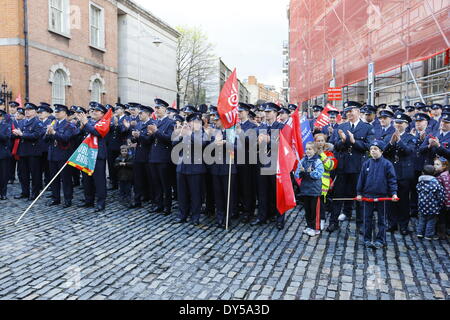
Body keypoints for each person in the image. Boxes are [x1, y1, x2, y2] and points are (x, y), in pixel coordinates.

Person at [327, 101, 375, 233]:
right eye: (347, 112)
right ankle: (333, 222)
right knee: (338, 196)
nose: (349, 114)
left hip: (358, 167)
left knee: (359, 196)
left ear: (358, 111)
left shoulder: (367, 128)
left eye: (351, 111)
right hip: (342, 166)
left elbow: (369, 146)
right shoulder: (341, 126)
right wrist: (342, 141)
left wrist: (354, 142)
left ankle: (361, 224)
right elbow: (332, 145)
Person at [356, 140, 398, 249]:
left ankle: (380, 239)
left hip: (382, 196)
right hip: (367, 196)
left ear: (381, 151)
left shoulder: (387, 164)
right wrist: (359, 193)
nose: (373, 151)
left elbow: (392, 180)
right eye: (371, 149)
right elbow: (361, 179)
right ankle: (366, 239)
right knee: (367, 218)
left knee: (382, 219)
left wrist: (393, 193)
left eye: (375, 149)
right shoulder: (366, 163)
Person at [251, 102, 286, 229]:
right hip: (261, 163)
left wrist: (269, 140)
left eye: (269, 112)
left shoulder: (282, 127)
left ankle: (280, 218)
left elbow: (284, 146)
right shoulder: (260, 127)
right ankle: (262, 216)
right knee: (262, 192)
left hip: (276, 165)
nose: (266, 114)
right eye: (265, 112)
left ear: (276, 113)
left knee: (277, 193)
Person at [383, 113, 416, 235]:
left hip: (404, 173)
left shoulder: (410, 137)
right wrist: (391, 142)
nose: (398, 125)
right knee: (390, 199)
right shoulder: (388, 136)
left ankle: (403, 225)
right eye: (396, 122)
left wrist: (400, 141)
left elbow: (408, 151)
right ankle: (392, 223)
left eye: (400, 123)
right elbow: (383, 152)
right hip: (391, 172)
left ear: (406, 125)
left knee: (403, 201)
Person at [173, 112, 208, 226]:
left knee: (195, 194)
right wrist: (181, 135)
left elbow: (202, 145)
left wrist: (190, 134)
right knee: (182, 193)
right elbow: (174, 144)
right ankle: (183, 214)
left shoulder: (203, 133)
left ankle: (195, 216)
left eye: (197, 122)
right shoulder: (185, 132)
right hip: (182, 166)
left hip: (196, 168)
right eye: (192, 122)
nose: (194, 124)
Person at [45, 104, 80, 208]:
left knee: (66, 179)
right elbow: (45, 140)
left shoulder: (70, 126)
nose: (56, 113)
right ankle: (55, 198)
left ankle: (68, 199)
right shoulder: (53, 124)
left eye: (58, 112)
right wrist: (47, 133)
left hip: (63, 155)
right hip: (52, 155)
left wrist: (54, 133)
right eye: (55, 112)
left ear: (64, 113)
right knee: (54, 179)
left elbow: (65, 138)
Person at [76, 103, 108, 212]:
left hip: (98, 154)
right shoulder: (89, 122)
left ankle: (101, 202)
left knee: (99, 180)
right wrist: (81, 126)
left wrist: (85, 123)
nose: (94, 112)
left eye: (97, 111)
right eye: (93, 110)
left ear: (103, 114)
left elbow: (97, 133)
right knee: (86, 179)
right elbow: (79, 134)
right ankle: (88, 200)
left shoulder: (104, 123)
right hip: (87, 153)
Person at [148, 98, 175, 216]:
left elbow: (170, 139)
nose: (156, 110)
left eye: (158, 108)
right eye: (156, 108)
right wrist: (150, 134)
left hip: (164, 157)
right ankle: (158, 204)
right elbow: (151, 140)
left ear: (165, 109)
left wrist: (157, 132)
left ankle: (167, 206)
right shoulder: (155, 122)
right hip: (153, 156)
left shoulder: (170, 122)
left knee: (165, 184)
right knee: (156, 183)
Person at [12, 103, 45, 201]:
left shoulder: (38, 122)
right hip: (23, 151)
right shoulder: (23, 122)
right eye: (26, 109)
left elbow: (36, 135)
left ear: (35, 111)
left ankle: (35, 194)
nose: (27, 111)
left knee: (34, 174)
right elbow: (18, 134)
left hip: (33, 152)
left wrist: (22, 134)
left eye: (29, 109)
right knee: (23, 174)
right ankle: (25, 192)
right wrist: (16, 134)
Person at [295, 142, 324, 237]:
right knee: (307, 209)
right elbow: (297, 173)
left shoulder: (317, 161)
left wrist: (310, 172)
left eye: (310, 149)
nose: (307, 151)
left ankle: (316, 228)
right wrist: (300, 172)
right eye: (306, 149)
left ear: (315, 151)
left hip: (314, 190)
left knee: (314, 210)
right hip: (305, 189)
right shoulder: (303, 160)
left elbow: (319, 174)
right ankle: (309, 225)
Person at [129, 105, 154, 208]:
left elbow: (149, 140)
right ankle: (137, 200)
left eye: (141, 113)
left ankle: (152, 200)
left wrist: (139, 136)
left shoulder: (152, 124)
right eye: (139, 113)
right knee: (137, 179)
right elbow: (134, 140)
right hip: (138, 154)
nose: (139, 115)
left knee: (150, 179)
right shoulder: (138, 124)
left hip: (148, 154)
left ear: (148, 114)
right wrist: (134, 138)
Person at [314, 133, 337, 230]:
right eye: (318, 141)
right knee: (312, 203)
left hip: (323, 183)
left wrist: (322, 154)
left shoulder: (329, 153)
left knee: (321, 204)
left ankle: (321, 221)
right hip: (312, 182)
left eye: (322, 141)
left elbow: (330, 166)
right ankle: (312, 223)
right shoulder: (311, 151)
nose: (320, 143)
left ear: (325, 142)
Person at [416, 165, 445, 240]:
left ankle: (419, 233)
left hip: (422, 205)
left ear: (422, 173)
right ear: (434, 173)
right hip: (433, 206)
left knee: (422, 219)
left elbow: (417, 191)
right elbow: (440, 195)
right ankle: (428, 235)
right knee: (431, 220)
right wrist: (440, 203)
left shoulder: (420, 182)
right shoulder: (436, 184)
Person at [434, 157, 450, 240]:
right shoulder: (439, 174)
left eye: (437, 164)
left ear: (444, 166)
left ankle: (441, 233)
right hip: (443, 200)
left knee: (442, 217)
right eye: (434, 164)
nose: (435, 166)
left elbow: (447, 190)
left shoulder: (443, 176)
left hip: (444, 201)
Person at [0, 110, 12, 200]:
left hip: (3, 154)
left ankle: (3, 193)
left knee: (3, 175)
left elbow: (6, 138)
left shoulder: (6, 126)